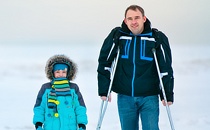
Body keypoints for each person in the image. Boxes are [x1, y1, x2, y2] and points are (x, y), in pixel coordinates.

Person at [97, 5, 174, 130]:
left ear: (144, 18)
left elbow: (165, 68)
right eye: (130, 18)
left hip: (149, 97)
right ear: (125, 21)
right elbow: (105, 63)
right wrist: (104, 89)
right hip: (125, 96)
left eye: (137, 18)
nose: (133, 22)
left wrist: (167, 94)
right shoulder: (118, 36)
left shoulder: (156, 38)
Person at [33, 54, 88, 130]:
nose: (61, 74)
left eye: (64, 72)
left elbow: (80, 108)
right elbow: (39, 107)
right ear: (52, 73)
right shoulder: (46, 88)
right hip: (51, 126)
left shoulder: (73, 88)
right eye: (57, 72)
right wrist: (38, 123)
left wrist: (82, 124)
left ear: (68, 73)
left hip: (69, 127)